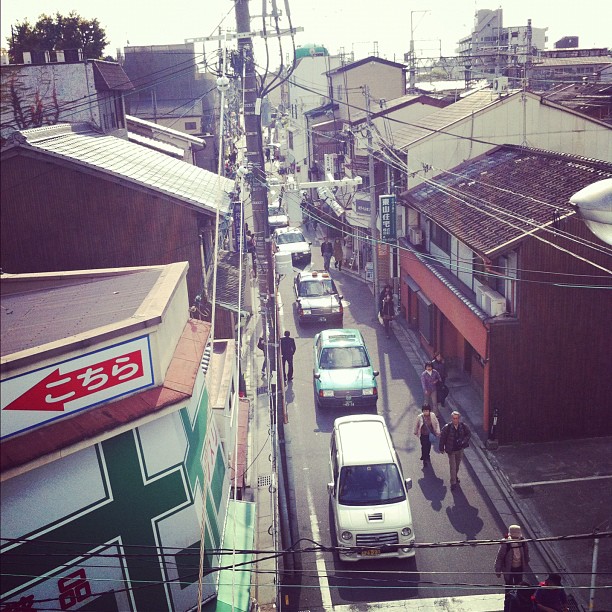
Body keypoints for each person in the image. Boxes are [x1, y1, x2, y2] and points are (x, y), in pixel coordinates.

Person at [495, 525, 531, 598]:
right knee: (509, 585)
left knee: (519, 585)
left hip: (519, 568)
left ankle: (517, 600)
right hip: (508, 569)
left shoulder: (523, 542)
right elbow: (500, 557)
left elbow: (526, 553)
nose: (516, 538)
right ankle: (508, 600)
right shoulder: (506, 543)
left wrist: (526, 562)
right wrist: (497, 570)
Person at [439, 411, 471, 490]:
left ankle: (455, 476)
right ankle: (453, 482)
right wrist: (441, 448)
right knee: (452, 467)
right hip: (451, 450)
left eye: (456, 418)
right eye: (454, 418)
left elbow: (468, 434)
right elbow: (442, 438)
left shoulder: (463, 426)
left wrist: (464, 441)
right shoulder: (447, 427)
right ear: (451, 419)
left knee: (457, 465)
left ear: (459, 419)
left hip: (460, 449)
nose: (455, 420)